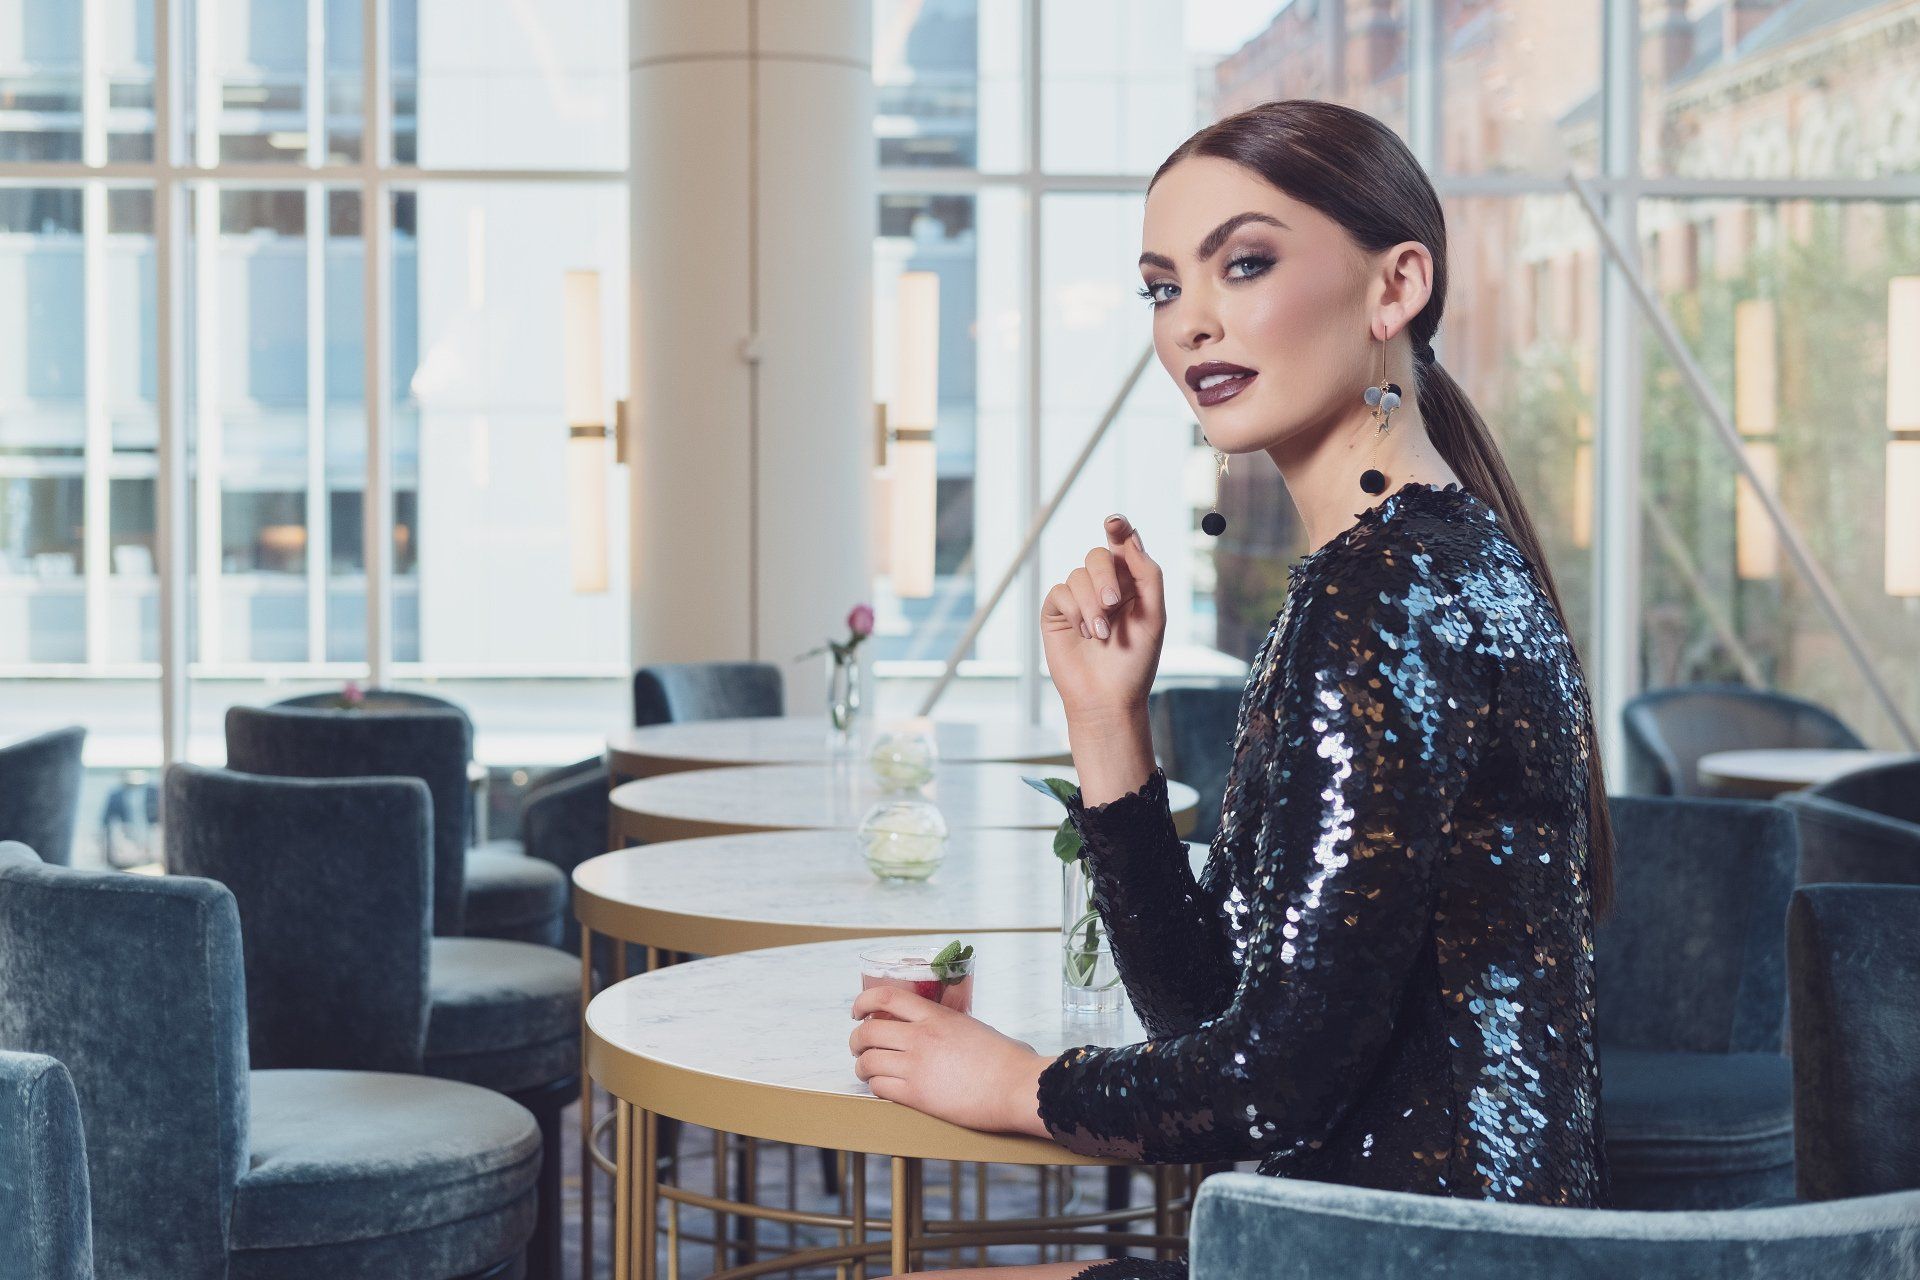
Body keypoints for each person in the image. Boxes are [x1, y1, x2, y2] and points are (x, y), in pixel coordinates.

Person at [848, 98, 1614, 1279]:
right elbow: (1212, 1013)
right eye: (1162, 287)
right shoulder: (1413, 566)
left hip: (1399, 1256)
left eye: (1243, 264)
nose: (1190, 322)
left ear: (1395, 284)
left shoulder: (1388, 594)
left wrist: (1012, 1082)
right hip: (1377, 1242)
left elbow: (1270, 1080)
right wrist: (1107, 720)